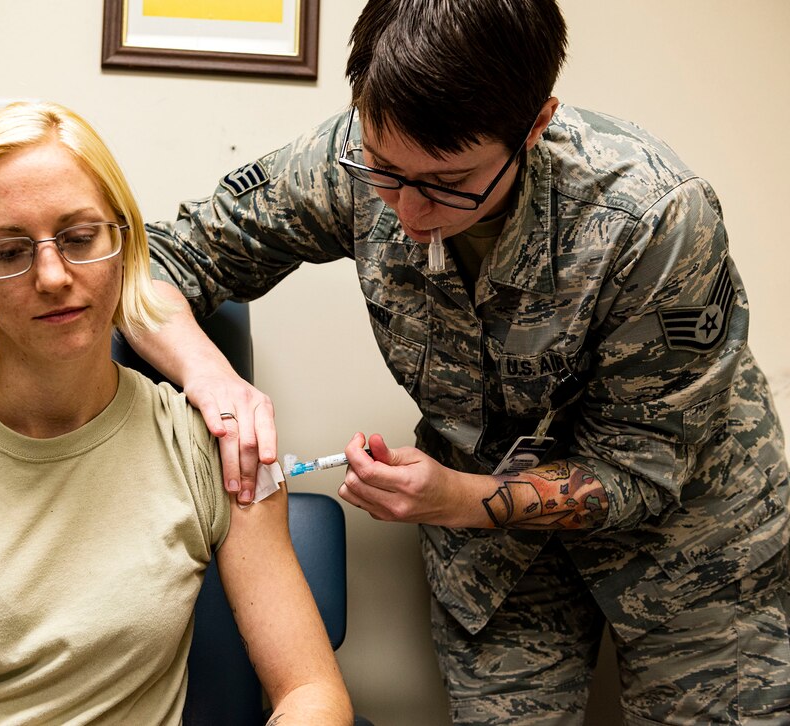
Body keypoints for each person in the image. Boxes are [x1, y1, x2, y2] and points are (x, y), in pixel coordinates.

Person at [126, 0, 790, 722]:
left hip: (693, 543)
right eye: (384, 169)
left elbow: (643, 470)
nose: (407, 214)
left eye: (447, 183)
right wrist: (214, 379)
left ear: (533, 127)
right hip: (497, 559)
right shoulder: (346, 158)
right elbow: (157, 260)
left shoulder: (654, 217)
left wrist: (455, 498)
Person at [0, 101, 353, 726]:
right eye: (9, 252)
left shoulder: (208, 446)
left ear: (124, 243)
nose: (54, 276)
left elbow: (311, 693)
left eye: (81, 238)